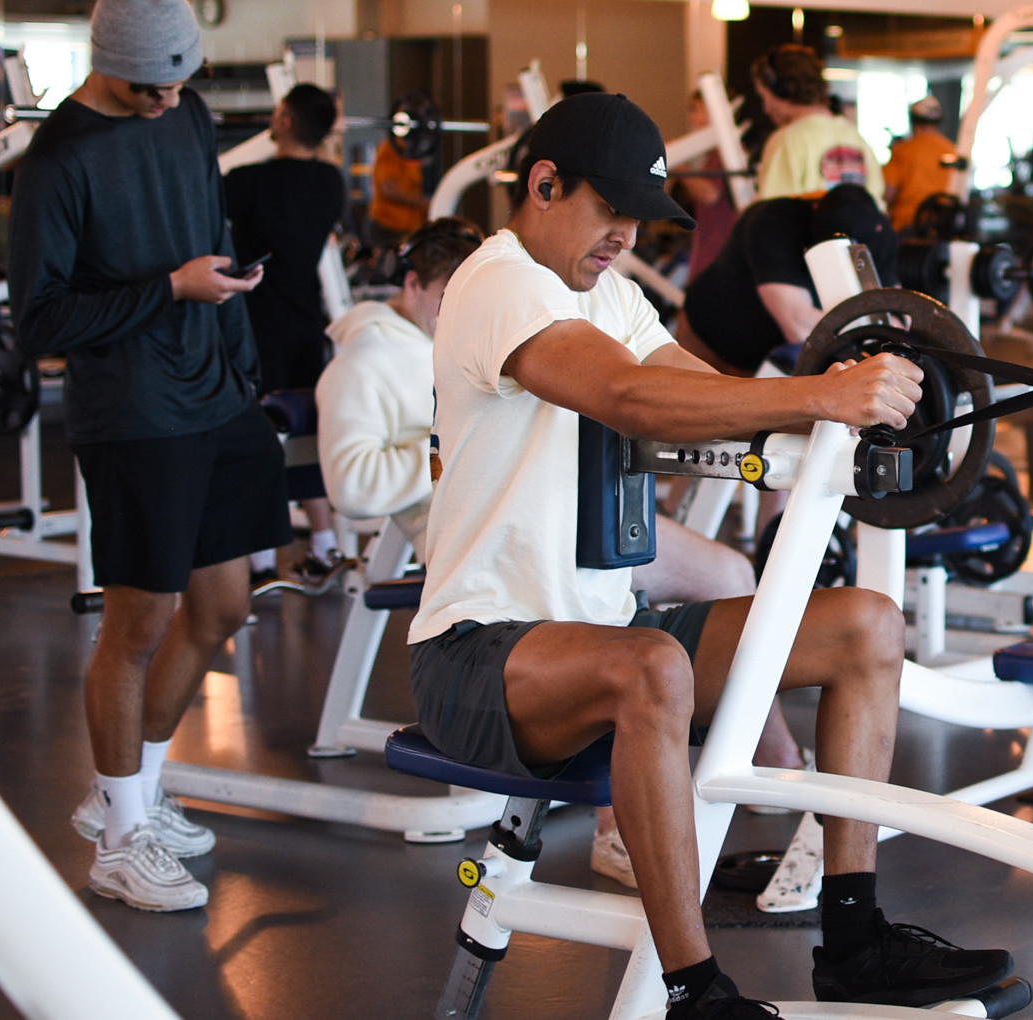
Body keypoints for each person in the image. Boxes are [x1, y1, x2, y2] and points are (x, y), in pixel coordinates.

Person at [411, 92, 1012, 1016]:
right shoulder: (498, 284)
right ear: (541, 184)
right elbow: (629, 398)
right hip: (479, 652)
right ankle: (696, 991)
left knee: (866, 625)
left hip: (599, 627)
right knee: (649, 665)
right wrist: (822, 394)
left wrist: (815, 423)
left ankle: (854, 939)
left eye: (636, 217)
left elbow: (686, 383)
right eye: (608, 209)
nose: (623, 236)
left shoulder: (604, 290)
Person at [315, 217, 805, 886]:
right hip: (475, 534)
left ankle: (766, 757)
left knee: (728, 570)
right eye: (443, 293)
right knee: (618, 645)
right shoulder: (369, 359)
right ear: (414, 287)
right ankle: (618, 831)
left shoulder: (546, 315)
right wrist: (453, 444)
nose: (454, 305)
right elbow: (350, 482)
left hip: (569, 513)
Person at [8, 0, 284, 912]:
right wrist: (170, 289)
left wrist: (239, 350)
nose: (170, 100)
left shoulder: (189, 112)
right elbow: (41, 320)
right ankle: (119, 844)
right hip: (131, 411)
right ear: (105, 61)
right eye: (151, 84)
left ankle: (130, 794)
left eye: (181, 80)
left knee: (224, 605)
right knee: (141, 619)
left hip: (215, 392)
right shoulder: (59, 160)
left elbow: (213, 231)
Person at [224, 82, 350, 590]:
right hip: (306, 325)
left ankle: (258, 559)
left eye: (277, 113)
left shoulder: (246, 180)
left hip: (259, 327)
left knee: (259, 439)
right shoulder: (330, 182)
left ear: (286, 122)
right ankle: (323, 544)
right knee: (304, 436)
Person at [678, 184, 896, 376]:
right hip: (705, 338)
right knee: (685, 412)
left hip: (760, 361)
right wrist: (868, 335)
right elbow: (798, 327)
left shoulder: (878, 233)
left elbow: (894, 310)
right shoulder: (772, 220)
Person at [750, 44, 884, 204]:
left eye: (765, 97)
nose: (766, 109)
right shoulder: (855, 137)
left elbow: (771, 214)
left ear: (782, 89)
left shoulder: (786, 140)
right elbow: (876, 200)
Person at [675, 87, 739, 283]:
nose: (693, 118)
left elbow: (710, 195)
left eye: (697, 110)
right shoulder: (713, 155)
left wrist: (677, 164)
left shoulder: (727, 153)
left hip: (720, 247)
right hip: (709, 243)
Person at [882, 95, 958, 234]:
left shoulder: (902, 150)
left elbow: (888, 193)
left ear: (913, 121)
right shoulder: (952, 150)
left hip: (907, 228)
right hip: (944, 229)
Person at [364, 91, 431, 248]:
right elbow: (389, 189)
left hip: (410, 228)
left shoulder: (413, 152)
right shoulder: (390, 150)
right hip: (388, 227)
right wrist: (422, 203)